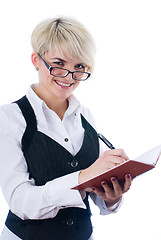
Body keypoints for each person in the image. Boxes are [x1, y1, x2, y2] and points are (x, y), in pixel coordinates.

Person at [0, 17, 132, 240]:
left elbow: (91, 192)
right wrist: (82, 177)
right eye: (59, 63)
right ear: (36, 60)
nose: (69, 76)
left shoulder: (86, 116)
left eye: (79, 66)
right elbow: (20, 201)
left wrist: (110, 196)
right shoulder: (9, 117)